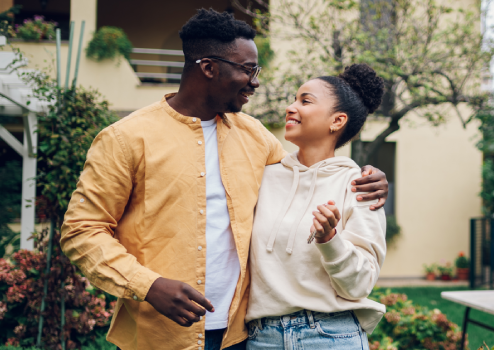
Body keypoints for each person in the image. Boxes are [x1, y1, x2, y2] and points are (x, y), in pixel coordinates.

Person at [59, 9, 389, 350]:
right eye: (247, 70)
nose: (256, 81)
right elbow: (82, 231)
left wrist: (367, 176)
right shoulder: (125, 139)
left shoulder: (256, 138)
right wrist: (149, 285)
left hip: (243, 337)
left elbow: (309, 171)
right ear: (209, 68)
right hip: (159, 336)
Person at [245, 64, 387, 349]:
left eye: (305, 101)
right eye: (294, 99)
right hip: (263, 338)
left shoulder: (359, 186)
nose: (290, 107)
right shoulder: (262, 176)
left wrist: (330, 240)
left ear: (337, 121)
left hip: (331, 336)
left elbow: (360, 285)